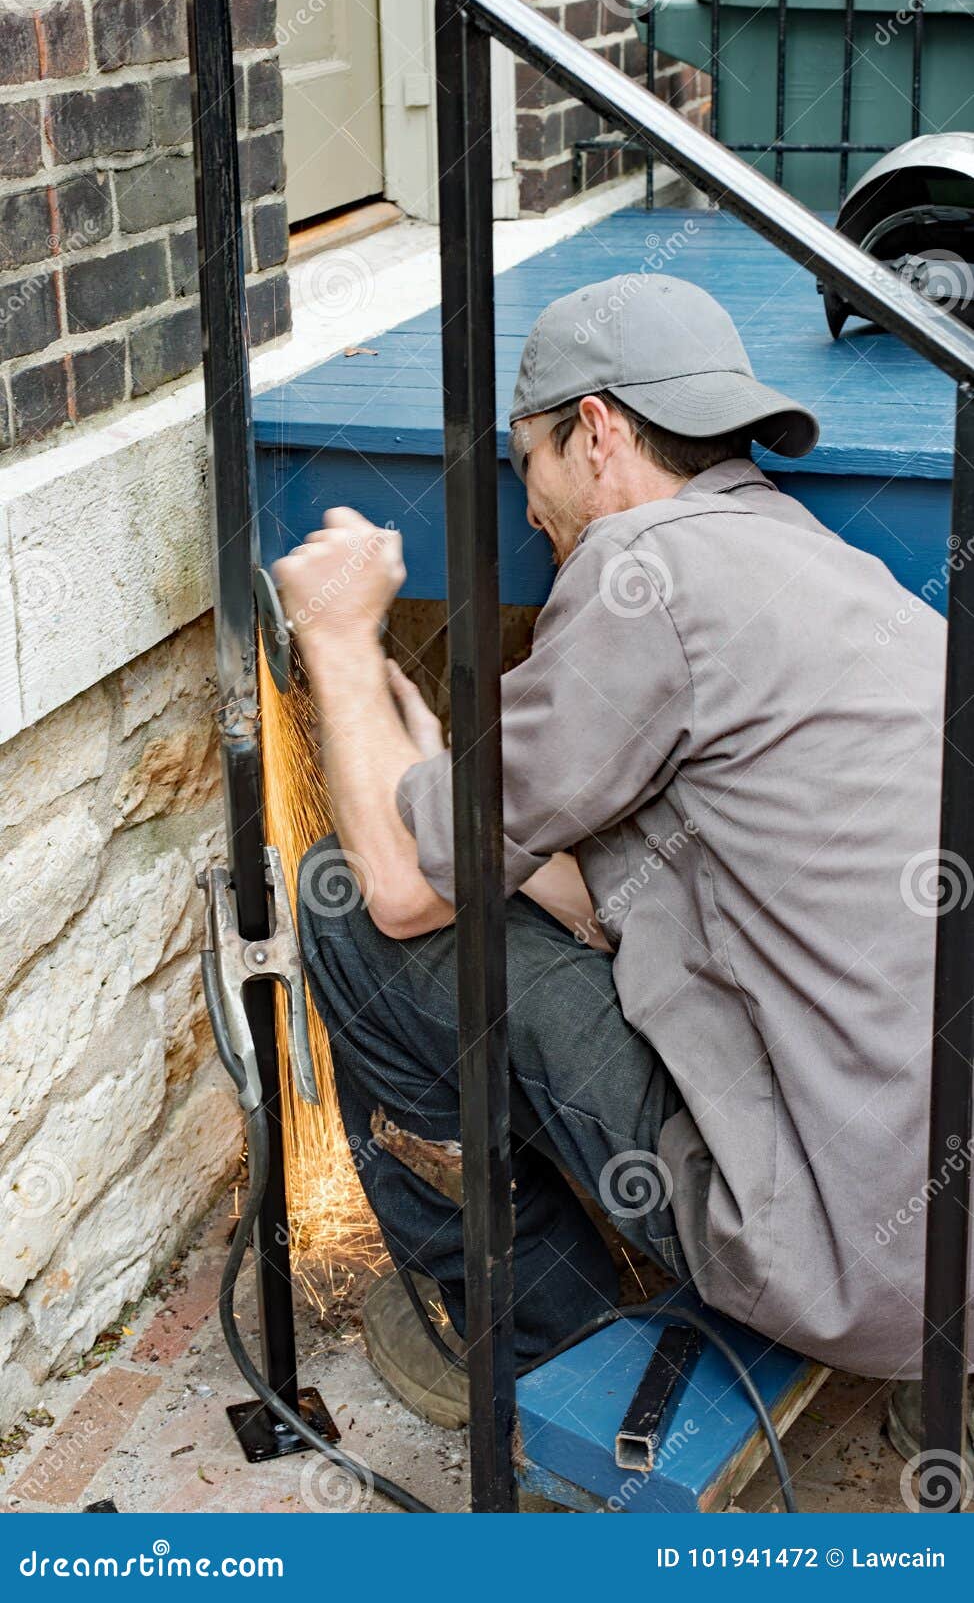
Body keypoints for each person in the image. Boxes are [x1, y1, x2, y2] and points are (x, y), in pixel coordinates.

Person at [274, 273, 953, 1455]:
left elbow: (394, 891)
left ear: (592, 431)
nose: (527, 505)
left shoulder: (642, 571)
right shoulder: (821, 567)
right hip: (932, 1223)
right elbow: (654, 879)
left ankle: (546, 1345)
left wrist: (336, 635)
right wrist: (463, 809)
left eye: (525, 460)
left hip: (850, 1259)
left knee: (340, 912)